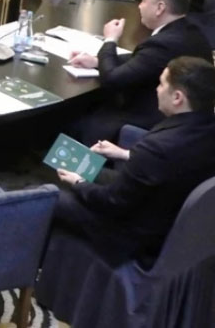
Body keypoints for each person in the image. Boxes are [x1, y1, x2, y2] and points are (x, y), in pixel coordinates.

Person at [52, 56, 215, 266]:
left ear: (177, 97)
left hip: (132, 234)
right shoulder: (205, 130)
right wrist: (125, 154)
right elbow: (175, 165)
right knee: (93, 169)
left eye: (161, 84)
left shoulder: (157, 147)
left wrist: (78, 183)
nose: (157, 89)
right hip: (171, 221)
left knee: (49, 198)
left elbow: (112, 202)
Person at [67, 0, 212, 141]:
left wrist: (110, 40)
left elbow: (112, 80)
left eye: (143, 1)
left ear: (160, 8)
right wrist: (97, 61)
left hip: (152, 123)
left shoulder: (164, 43)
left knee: (74, 117)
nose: (139, 6)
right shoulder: (190, 31)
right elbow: (143, 60)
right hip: (191, 123)